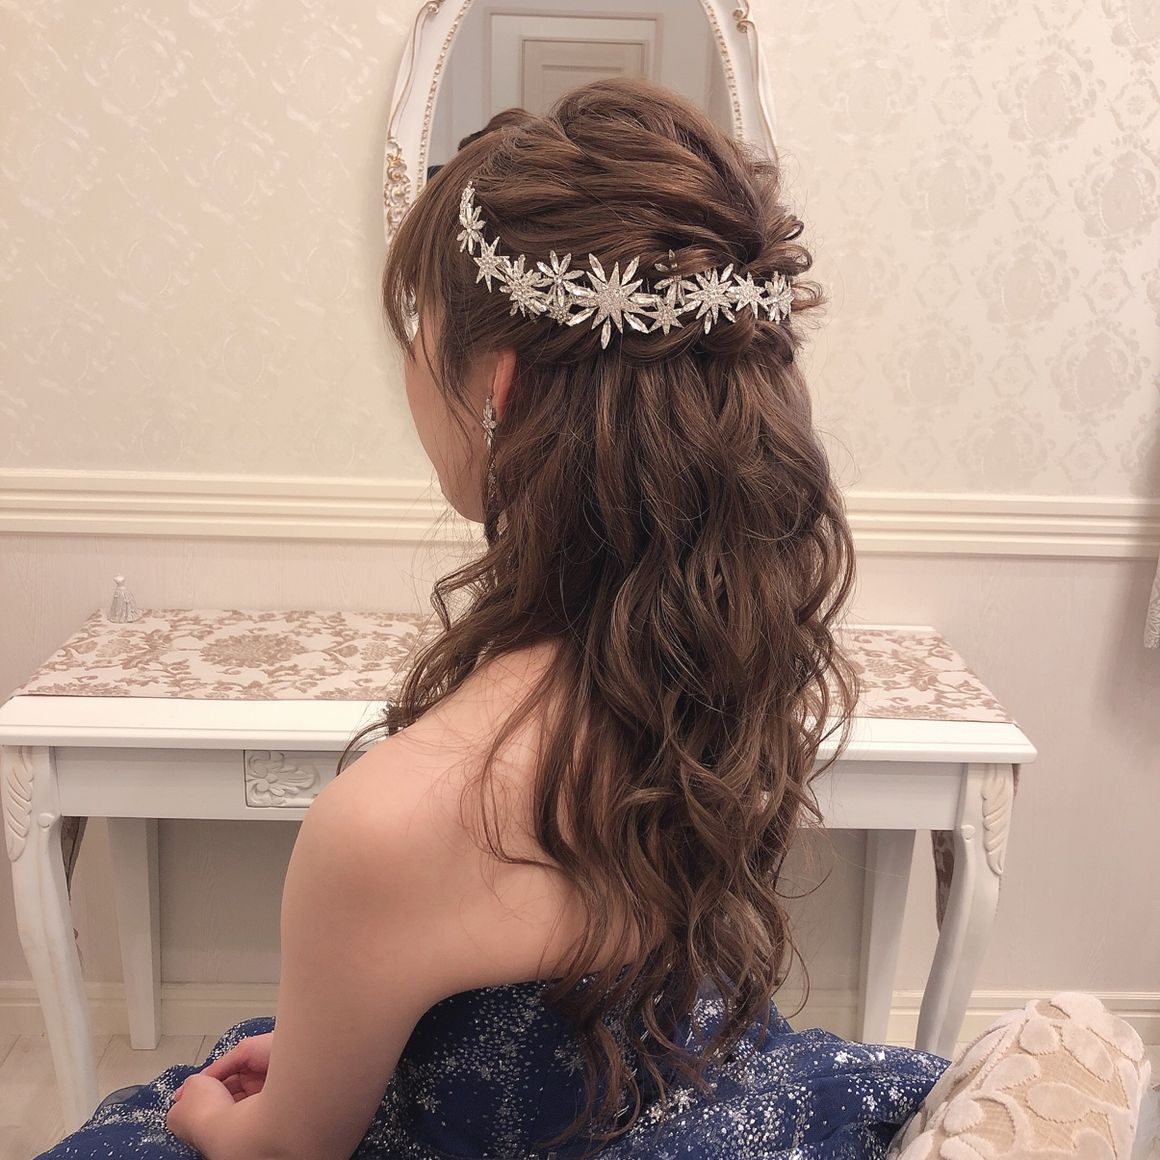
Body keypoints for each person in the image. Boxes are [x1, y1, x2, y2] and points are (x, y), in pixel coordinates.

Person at [40, 76, 1153, 1160]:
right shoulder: (718, 659)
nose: (409, 365)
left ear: (502, 387)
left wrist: (199, 1114)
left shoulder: (389, 822)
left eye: (420, 325)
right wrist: (347, 1041)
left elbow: (288, 1145)